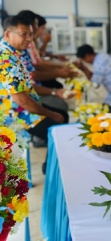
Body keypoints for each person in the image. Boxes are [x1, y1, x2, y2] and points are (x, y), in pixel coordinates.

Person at [0, 15, 69, 172]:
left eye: (31, 34)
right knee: (59, 129)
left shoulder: (12, 52)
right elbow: (22, 101)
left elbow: (28, 87)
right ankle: (51, 170)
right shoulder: (6, 58)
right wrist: (50, 114)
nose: (29, 39)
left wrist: (53, 94)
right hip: (14, 115)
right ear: (8, 34)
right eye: (24, 34)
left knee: (62, 116)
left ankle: (52, 164)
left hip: (21, 108)